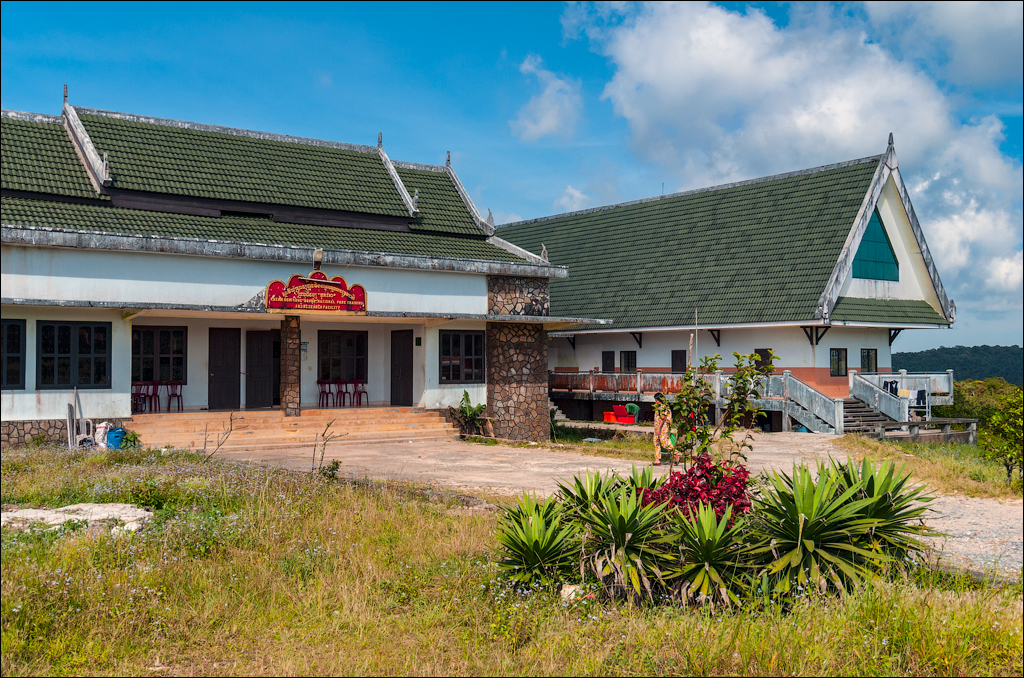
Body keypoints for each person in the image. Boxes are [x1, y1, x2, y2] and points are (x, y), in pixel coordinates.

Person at [652, 393, 676, 466]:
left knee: (665, 443)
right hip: (657, 427)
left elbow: (663, 418)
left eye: (657, 400)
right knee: (656, 441)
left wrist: (659, 428)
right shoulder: (658, 407)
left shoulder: (664, 407)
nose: (655, 402)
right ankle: (657, 460)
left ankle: (676, 455)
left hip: (663, 428)